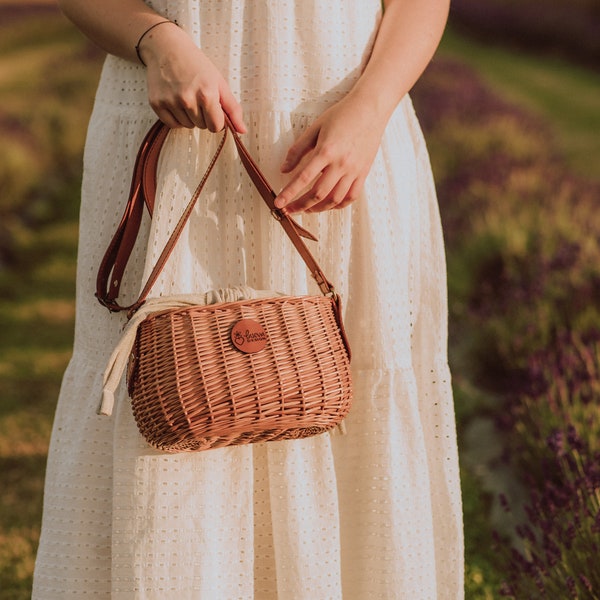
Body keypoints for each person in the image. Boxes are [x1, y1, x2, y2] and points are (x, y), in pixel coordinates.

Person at [33, 0, 464, 597]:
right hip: (168, 119)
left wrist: (371, 109)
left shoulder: (362, 120)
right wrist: (157, 41)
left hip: (340, 136)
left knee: (344, 385)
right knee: (172, 388)